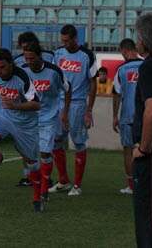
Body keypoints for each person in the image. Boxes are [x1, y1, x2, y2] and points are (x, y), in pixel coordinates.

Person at [0, 48, 43, 212]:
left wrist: (15, 105)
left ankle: (37, 197)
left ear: (11, 64)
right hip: (6, 116)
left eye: (3, 67)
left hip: (26, 123)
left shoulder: (22, 78)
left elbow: (36, 104)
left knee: (32, 163)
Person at [49, 24, 97, 196]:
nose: (65, 44)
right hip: (59, 103)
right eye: (62, 41)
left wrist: (89, 110)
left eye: (67, 41)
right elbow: (54, 77)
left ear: (75, 38)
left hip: (77, 104)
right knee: (56, 140)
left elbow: (93, 82)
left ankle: (77, 185)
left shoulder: (87, 55)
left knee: (78, 142)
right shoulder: (59, 54)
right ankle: (63, 181)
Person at [22, 42, 71, 201]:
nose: (29, 61)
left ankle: (44, 189)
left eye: (32, 58)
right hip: (30, 118)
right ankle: (37, 181)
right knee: (31, 154)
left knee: (44, 152)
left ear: (39, 56)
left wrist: (64, 112)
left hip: (49, 117)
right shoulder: (23, 71)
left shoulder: (54, 71)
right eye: (26, 58)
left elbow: (67, 89)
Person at [132, 11, 152, 247]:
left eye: (138, 34)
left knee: (151, 219)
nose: (137, 40)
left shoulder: (150, 66)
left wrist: (143, 148)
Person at [13, 31, 55, 187]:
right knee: (26, 146)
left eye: (28, 47)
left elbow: (56, 79)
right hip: (27, 110)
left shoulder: (50, 57)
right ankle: (28, 176)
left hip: (47, 111)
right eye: (23, 48)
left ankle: (46, 178)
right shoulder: (18, 61)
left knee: (46, 149)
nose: (26, 53)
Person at [112, 38, 142, 195]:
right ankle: (145, 184)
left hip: (128, 117)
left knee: (128, 150)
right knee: (147, 150)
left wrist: (114, 116)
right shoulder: (146, 65)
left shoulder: (122, 69)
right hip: (146, 116)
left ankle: (131, 186)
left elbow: (116, 94)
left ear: (124, 50)